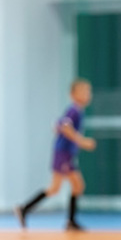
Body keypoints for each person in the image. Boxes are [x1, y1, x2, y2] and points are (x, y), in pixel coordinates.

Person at [14, 80, 96, 231]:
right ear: (73, 94)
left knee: (56, 188)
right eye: (84, 92)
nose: (87, 95)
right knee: (76, 185)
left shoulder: (76, 111)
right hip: (63, 153)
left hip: (64, 153)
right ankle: (70, 221)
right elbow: (65, 127)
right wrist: (82, 141)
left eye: (88, 92)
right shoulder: (74, 110)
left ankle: (24, 209)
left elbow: (59, 124)